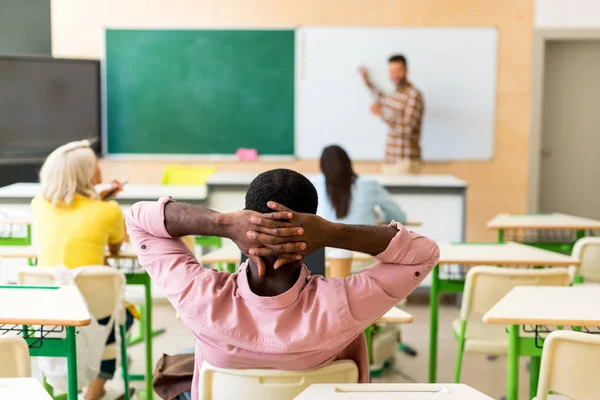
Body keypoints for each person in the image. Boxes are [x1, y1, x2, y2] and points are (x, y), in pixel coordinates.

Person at [126, 168, 439, 400]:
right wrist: (332, 232)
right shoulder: (343, 304)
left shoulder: (200, 297)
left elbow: (140, 220)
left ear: (245, 227)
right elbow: (424, 253)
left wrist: (223, 223)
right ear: (312, 229)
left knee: (179, 365)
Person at [31, 140, 134, 400]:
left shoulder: (38, 205)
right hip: (93, 310)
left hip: (48, 308)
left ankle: (59, 387)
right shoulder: (107, 211)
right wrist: (103, 201)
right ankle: (94, 393)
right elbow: (115, 247)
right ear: (89, 174)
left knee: (96, 317)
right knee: (118, 319)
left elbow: (74, 210)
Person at [359, 54, 425, 174]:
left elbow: (407, 128)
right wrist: (365, 79)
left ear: (406, 71)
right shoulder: (395, 95)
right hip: (389, 161)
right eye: (391, 71)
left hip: (406, 163)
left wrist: (382, 115)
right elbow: (380, 97)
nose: (394, 75)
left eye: (398, 70)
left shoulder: (413, 95)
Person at [315, 145, 406, 225]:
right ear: (348, 162)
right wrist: (379, 217)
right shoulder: (369, 185)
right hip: (364, 242)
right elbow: (399, 216)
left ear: (322, 166)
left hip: (327, 243)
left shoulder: (315, 184)